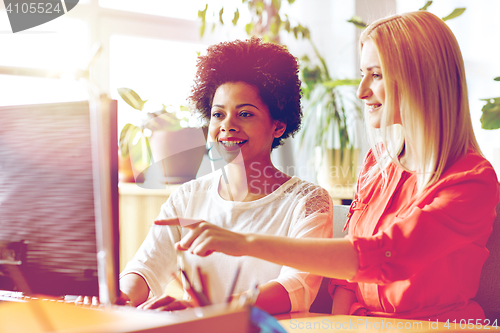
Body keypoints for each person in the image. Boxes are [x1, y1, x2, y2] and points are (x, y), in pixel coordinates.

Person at [160, 11, 500, 321]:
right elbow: (348, 283)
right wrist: (341, 327)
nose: (362, 92)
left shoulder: (472, 182)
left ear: (422, 78)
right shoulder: (378, 164)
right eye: (362, 75)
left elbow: (379, 257)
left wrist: (243, 242)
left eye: (376, 75)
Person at [119, 37, 333, 314]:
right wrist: (121, 297)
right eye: (218, 114)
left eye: (244, 114)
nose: (227, 126)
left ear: (278, 126)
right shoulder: (187, 197)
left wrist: (209, 309)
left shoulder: (308, 202)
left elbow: (295, 287)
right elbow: (145, 267)